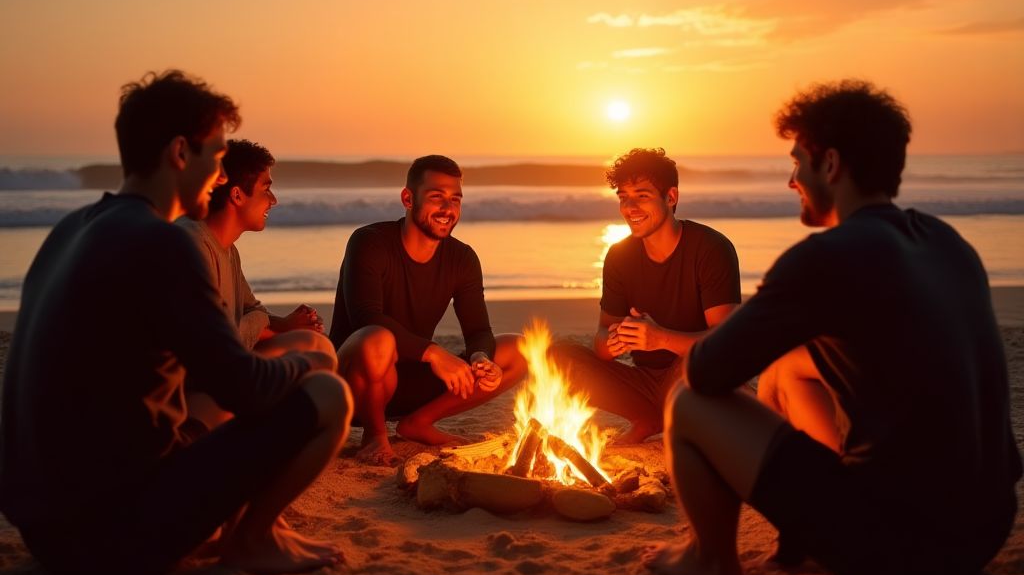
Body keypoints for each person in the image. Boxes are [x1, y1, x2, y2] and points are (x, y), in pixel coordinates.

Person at [644, 80, 1020, 575]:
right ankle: (810, 528)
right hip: (985, 530)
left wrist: (756, 311)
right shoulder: (947, 242)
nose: (791, 179)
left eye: (798, 161)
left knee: (689, 401)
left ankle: (710, 559)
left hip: (903, 547)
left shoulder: (826, 259)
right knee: (788, 366)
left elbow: (709, 370)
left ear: (831, 165)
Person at [0, 70, 353, 575]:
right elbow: (246, 387)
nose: (219, 174)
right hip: (110, 539)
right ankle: (253, 538)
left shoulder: (72, 228)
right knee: (328, 394)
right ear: (180, 153)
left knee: (210, 407)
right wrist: (308, 360)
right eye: (215, 155)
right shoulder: (161, 243)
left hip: (45, 531)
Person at [329, 155, 526, 465]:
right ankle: (374, 435)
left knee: (520, 349)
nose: (448, 209)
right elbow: (365, 318)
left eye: (455, 200)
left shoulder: (462, 258)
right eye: (437, 198)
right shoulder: (369, 242)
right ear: (408, 198)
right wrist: (435, 353)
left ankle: (418, 423)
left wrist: (481, 359)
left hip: (409, 382)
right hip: (354, 385)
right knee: (378, 339)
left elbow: (477, 330)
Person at [552, 147, 740, 443]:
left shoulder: (711, 248)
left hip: (689, 375)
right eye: (623, 197)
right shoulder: (619, 255)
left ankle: (681, 420)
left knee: (700, 365)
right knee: (557, 355)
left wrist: (659, 338)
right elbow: (601, 341)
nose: (630, 207)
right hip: (642, 384)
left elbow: (728, 345)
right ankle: (647, 419)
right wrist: (616, 340)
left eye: (642, 195)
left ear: (671, 197)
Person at [178, 139, 327, 353]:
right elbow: (214, 341)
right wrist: (274, 324)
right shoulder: (192, 246)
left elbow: (252, 309)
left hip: (223, 360)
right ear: (237, 195)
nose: (273, 200)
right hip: (196, 377)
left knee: (313, 343)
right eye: (266, 189)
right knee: (312, 348)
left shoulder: (228, 249)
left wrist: (289, 325)